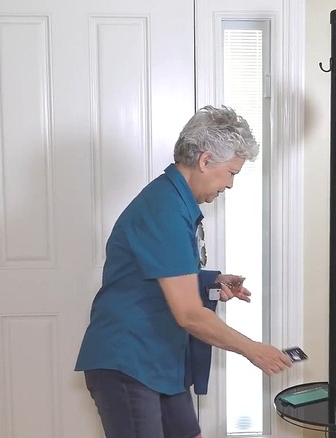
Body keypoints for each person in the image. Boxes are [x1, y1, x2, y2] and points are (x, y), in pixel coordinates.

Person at [75, 105, 292, 438]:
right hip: (129, 361)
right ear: (205, 161)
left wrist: (211, 281)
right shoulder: (165, 209)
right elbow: (190, 315)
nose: (231, 184)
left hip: (159, 359)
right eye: (232, 172)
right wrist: (253, 350)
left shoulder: (174, 202)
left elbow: (156, 272)